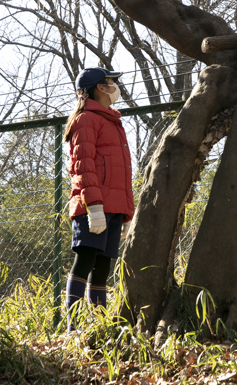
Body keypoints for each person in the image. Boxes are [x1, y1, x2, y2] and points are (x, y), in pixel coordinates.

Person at [63, 67, 135, 333]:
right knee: (85, 261)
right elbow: (82, 166)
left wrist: (127, 213)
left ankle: (99, 327)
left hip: (113, 207)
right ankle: (74, 329)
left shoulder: (112, 121)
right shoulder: (86, 119)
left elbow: (121, 172)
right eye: (110, 82)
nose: (115, 85)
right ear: (99, 88)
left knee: (103, 267)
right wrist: (93, 205)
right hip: (92, 206)